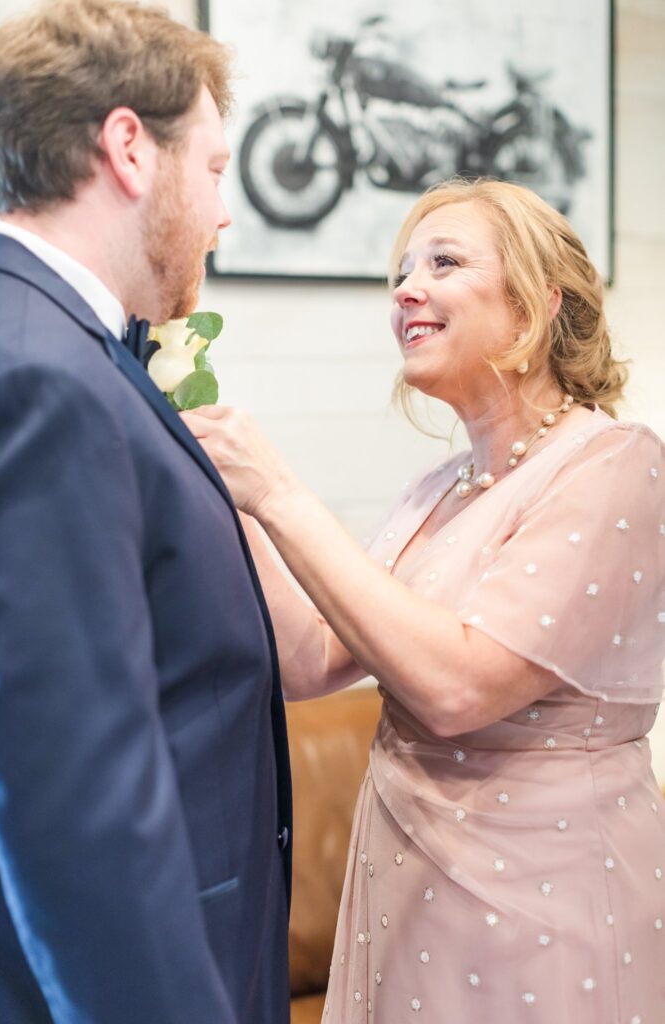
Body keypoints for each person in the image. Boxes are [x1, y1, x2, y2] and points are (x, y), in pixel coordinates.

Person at [185, 178, 665, 1023]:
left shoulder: (615, 462)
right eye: (402, 270)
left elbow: (456, 690)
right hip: (410, 899)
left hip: (539, 913)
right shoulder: (438, 487)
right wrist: (235, 496)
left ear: (538, 301)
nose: (405, 289)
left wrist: (281, 489)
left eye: (443, 262)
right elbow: (309, 661)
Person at [0, 2, 291, 1022]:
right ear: (128, 148)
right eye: (211, 167)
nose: (224, 207)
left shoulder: (65, 344)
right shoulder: (43, 374)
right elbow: (73, 794)